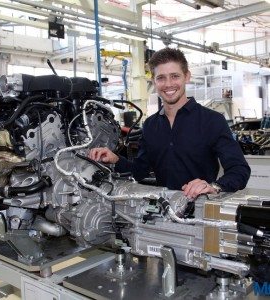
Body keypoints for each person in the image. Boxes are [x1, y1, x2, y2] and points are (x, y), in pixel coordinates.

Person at [89, 47, 250, 199]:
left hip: (199, 212)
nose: (168, 84)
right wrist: (115, 159)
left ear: (187, 76)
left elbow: (239, 169)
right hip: (162, 212)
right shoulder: (151, 125)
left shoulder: (212, 121)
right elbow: (139, 171)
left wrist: (214, 186)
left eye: (175, 76)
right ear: (154, 81)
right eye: (161, 78)